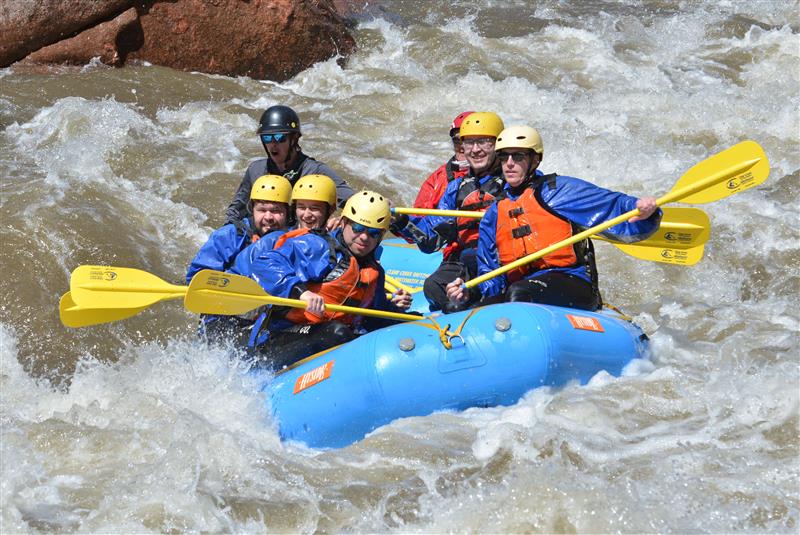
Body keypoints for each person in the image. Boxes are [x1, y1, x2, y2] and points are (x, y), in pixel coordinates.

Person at [446, 125, 661, 311]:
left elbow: (613, 206)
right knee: (463, 308)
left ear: (535, 160)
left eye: (518, 156)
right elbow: (490, 272)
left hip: (571, 282)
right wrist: (470, 293)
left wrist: (641, 210)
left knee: (518, 292)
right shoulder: (494, 212)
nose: (509, 163)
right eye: (504, 157)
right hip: (521, 288)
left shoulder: (558, 191)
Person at [229, 190, 413, 369]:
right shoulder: (318, 247)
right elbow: (265, 263)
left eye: (373, 233)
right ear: (343, 222)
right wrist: (301, 293)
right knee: (338, 333)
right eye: (358, 228)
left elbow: (374, 316)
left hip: (326, 335)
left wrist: (407, 318)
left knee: (349, 333)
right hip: (280, 334)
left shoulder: (374, 271)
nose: (364, 237)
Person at [391, 111, 506, 312]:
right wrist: (400, 220)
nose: (475, 150)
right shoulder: (456, 188)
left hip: (504, 258)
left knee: (473, 260)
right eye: (468, 143)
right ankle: (460, 312)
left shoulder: (514, 179)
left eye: (484, 142)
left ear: (498, 144)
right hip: (468, 259)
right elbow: (432, 239)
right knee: (433, 285)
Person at [225, 105, 354, 225]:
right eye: (267, 138)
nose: (273, 144)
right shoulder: (256, 170)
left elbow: (355, 201)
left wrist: (342, 220)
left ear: (294, 139)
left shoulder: (316, 171)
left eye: (280, 137)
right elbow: (237, 210)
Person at [186, 174, 291, 283]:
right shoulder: (229, 235)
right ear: (252, 209)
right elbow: (198, 276)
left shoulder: (296, 238)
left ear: (288, 212)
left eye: (276, 211)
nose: (268, 217)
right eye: (262, 210)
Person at [232, 174, 338, 274]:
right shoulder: (275, 238)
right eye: (301, 207)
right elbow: (240, 271)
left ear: (331, 209)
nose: (306, 215)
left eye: (315, 208)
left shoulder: (338, 237)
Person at [413, 111, 474, 209]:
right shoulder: (438, 178)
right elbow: (418, 216)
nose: (462, 146)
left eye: (468, 140)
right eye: (457, 141)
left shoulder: (502, 174)